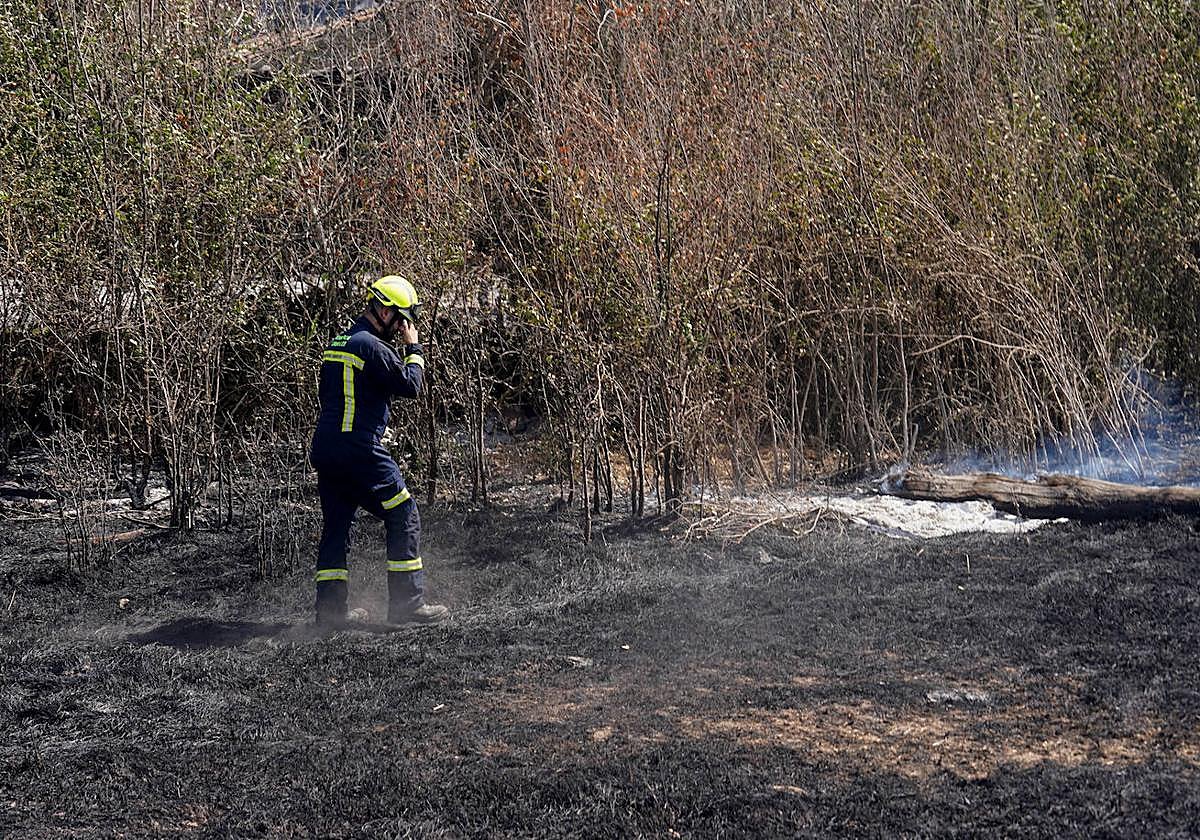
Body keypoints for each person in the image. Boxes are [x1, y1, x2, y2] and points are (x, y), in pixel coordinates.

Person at [309, 274, 448, 627]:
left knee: (336, 526)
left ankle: (330, 614)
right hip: (361, 449)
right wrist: (414, 349)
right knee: (404, 513)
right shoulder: (372, 346)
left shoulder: (338, 342)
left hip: (327, 448)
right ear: (386, 313)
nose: (405, 325)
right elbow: (411, 385)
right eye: (403, 318)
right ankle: (407, 604)